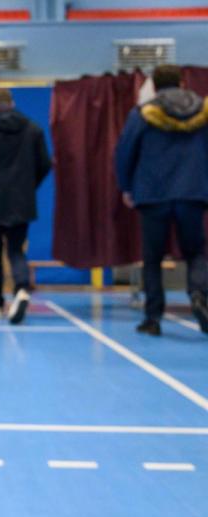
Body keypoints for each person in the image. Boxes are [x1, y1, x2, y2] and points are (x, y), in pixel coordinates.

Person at [115, 64, 208, 336]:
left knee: (153, 257)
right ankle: (200, 296)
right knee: (196, 253)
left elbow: (124, 152)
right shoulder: (203, 110)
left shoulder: (143, 113)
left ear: (153, 86)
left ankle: (153, 318)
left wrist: (126, 187)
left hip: (153, 193)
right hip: (193, 192)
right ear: (182, 82)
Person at [0, 88, 52, 325]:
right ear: (12, 103)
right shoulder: (33, 129)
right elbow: (45, 164)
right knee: (16, 251)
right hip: (21, 201)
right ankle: (22, 289)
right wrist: (28, 185)